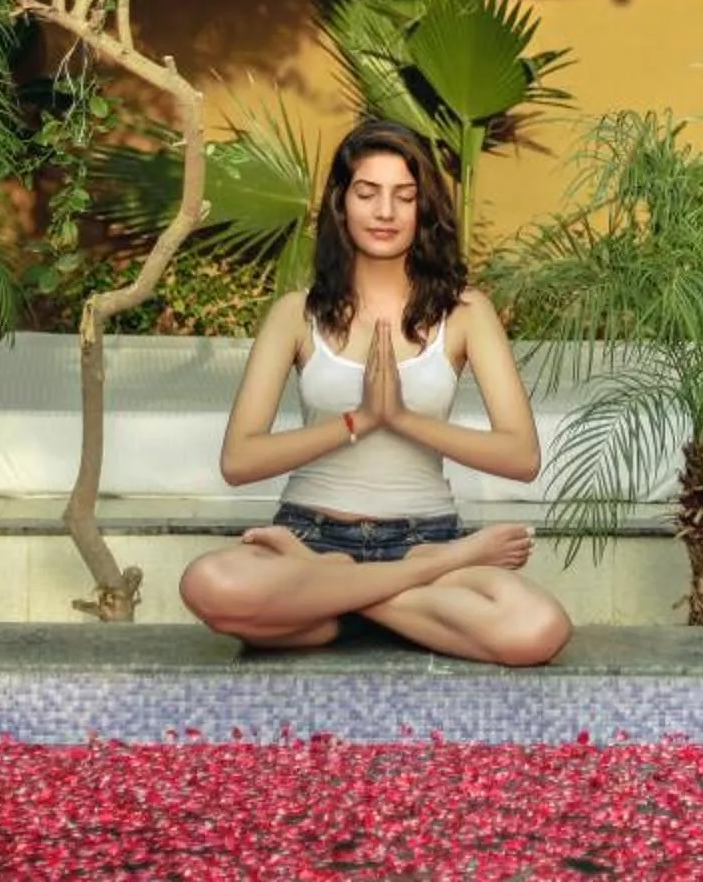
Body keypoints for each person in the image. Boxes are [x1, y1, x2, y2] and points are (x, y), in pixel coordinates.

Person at [178, 119, 572, 667]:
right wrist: (357, 420)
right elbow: (239, 459)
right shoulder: (296, 314)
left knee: (537, 629)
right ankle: (378, 586)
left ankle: (332, 599)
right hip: (310, 534)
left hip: (424, 535)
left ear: (423, 211)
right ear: (342, 204)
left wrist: (402, 418)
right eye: (368, 193)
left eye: (403, 197)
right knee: (209, 584)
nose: (385, 212)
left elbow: (522, 456)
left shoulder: (466, 313)